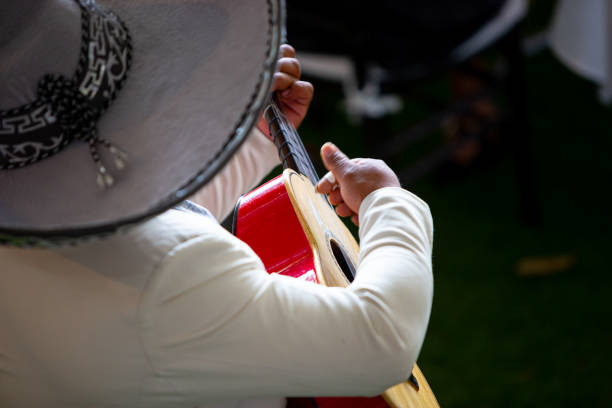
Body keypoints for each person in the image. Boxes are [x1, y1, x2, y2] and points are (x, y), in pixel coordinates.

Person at [0, 1, 433, 407]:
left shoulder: (31, 213)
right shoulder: (167, 271)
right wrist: (387, 200)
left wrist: (257, 141)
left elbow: (143, 216)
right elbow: (379, 342)